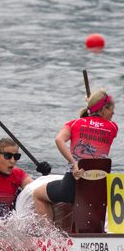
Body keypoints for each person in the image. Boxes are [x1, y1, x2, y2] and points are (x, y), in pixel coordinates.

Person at [33, 90, 118, 220]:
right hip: (98, 188)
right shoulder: (113, 128)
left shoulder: (74, 124)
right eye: (112, 109)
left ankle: (49, 234)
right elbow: (95, 124)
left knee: (38, 194)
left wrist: (74, 163)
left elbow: (59, 140)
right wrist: (91, 105)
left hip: (72, 186)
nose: (113, 113)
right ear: (104, 109)